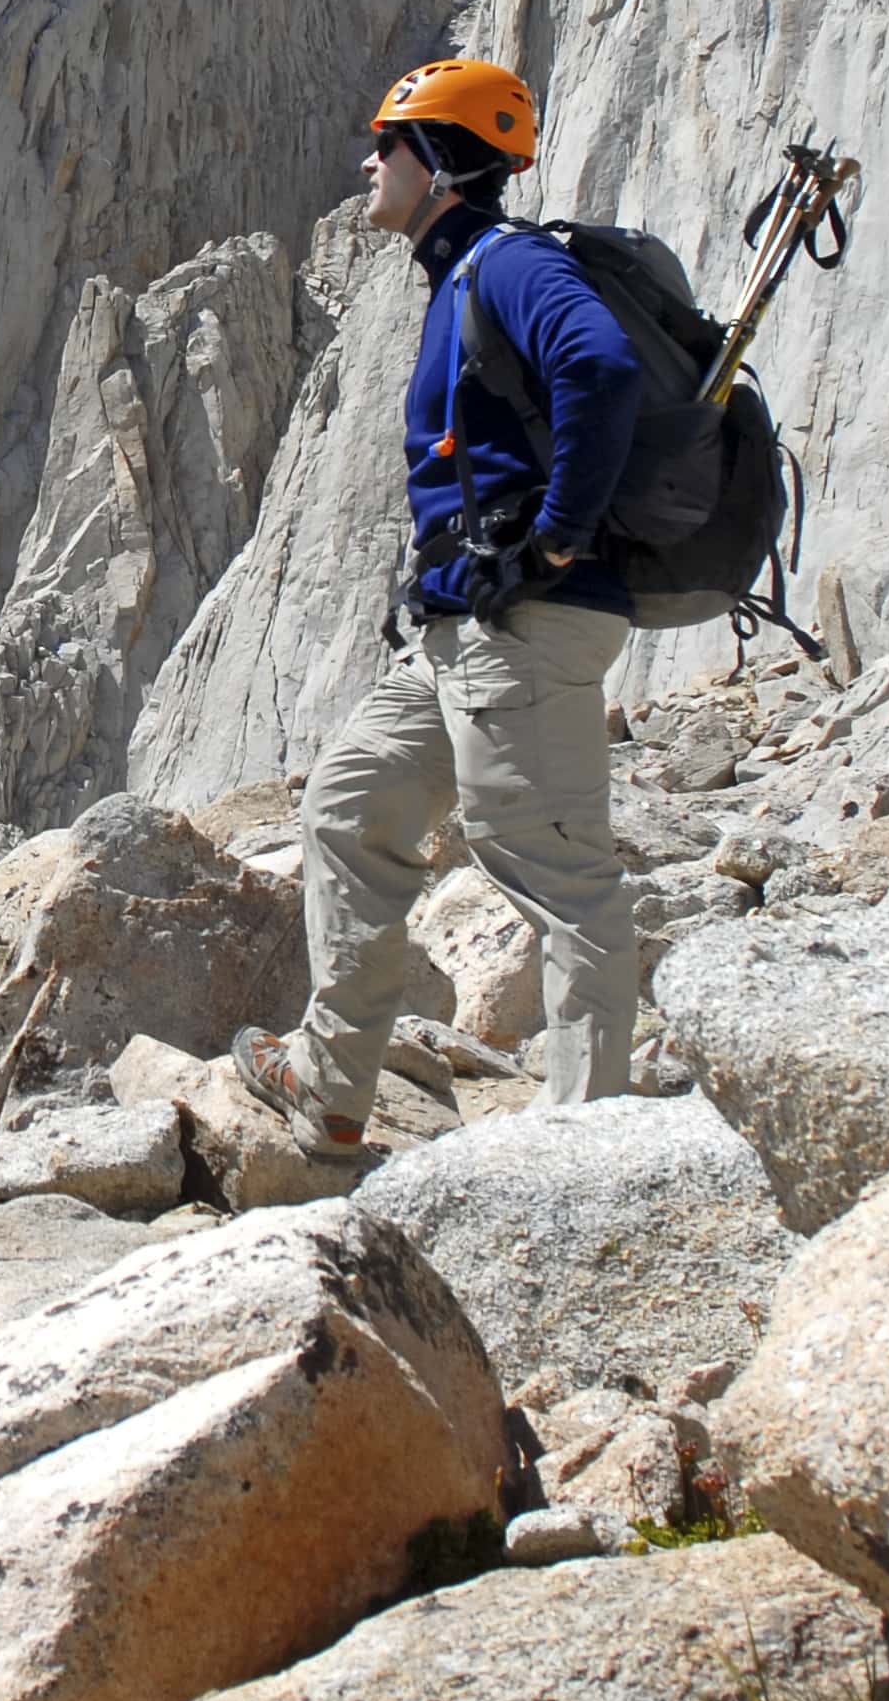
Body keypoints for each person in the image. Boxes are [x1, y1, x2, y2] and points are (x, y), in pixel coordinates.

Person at [231, 55, 645, 1144]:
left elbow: (599, 370)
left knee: (551, 870)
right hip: (462, 628)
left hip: (524, 622)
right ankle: (325, 1082)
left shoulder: (510, 264)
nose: (368, 161)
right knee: (347, 804)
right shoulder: (459, 275)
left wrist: (555, 534)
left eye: (389, 143)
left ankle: (590, 1142)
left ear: (442, 161)